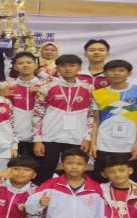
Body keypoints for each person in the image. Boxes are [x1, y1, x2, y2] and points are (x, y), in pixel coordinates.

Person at [32, 54, 93, 184]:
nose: (68, 69)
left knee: (74, 172)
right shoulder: (47, 86)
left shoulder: (88, 88)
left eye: (72, 65)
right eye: (63, 66)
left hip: (76, 137)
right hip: (50, 136)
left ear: (79, 68)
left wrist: (88, 137)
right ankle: (41, 195)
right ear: (57, 68)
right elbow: (37, 114)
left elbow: (91, 115)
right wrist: (37, 139)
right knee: (44, 172)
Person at [89, 59, 137, 181]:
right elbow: (96, 121)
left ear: (129, 73)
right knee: (102, 181)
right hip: (104, 145)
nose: (116, 73)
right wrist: (93, 144)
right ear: (105, 73)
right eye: (112, 70)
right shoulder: (98, 93)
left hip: (129, 146)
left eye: (121, 70)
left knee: (130, 182)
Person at [4, 52, 45, 158]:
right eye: (20, 63)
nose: (25, 65)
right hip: (14, 138)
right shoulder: (7, 86)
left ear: (36, 65)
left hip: (41, 138)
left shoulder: (46, 85)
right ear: (15, 67)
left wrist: (44, 92)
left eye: (29, 62)